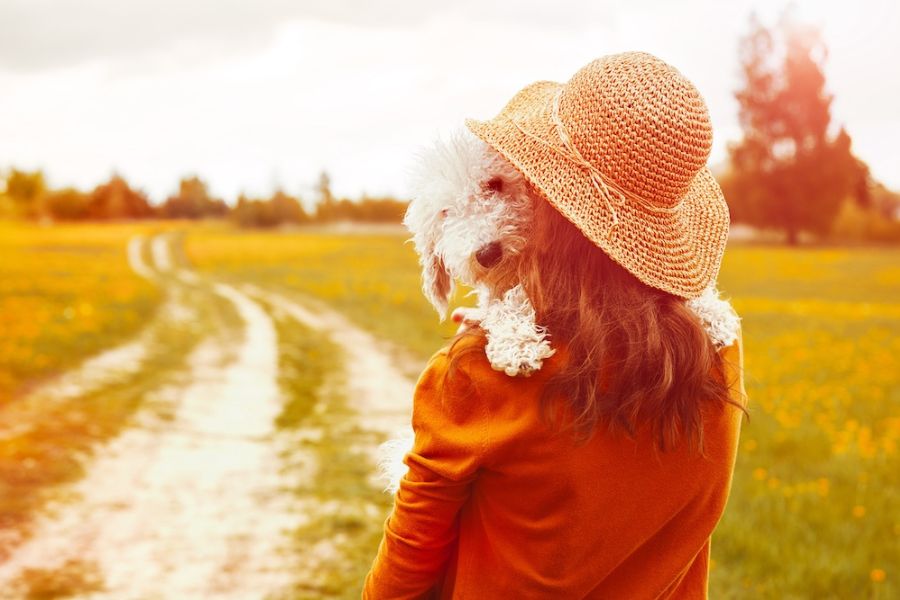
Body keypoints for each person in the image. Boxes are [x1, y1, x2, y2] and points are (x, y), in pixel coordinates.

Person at [363, 51, 747, 599]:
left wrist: (473, 360)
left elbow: (403, 571)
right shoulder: (718, 349)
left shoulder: (482, 376)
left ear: (541, 195)